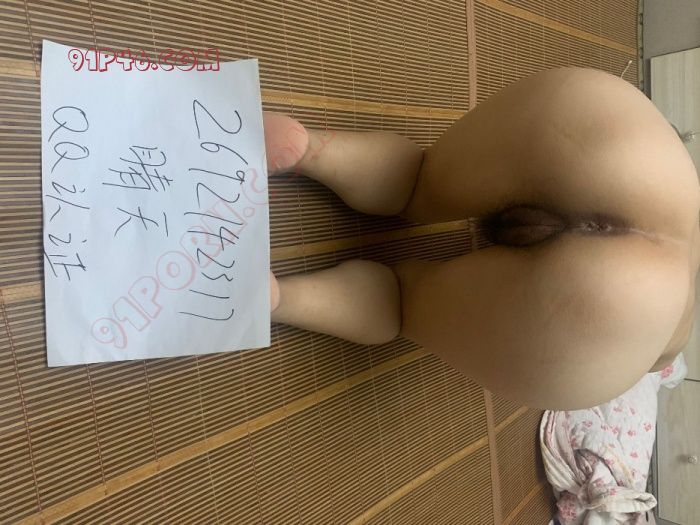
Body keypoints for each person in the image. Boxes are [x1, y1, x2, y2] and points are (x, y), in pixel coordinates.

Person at [262, 66, 700, 411]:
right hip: (625, 320)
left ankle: (313, 150)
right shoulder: (679, 324)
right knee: (405, 304)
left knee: (419, 181)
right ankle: (281, 298)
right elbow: (661, 363)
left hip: (629, 143)